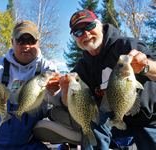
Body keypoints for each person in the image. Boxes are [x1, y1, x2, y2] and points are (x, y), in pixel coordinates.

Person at [59, 9, 156, 150]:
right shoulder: (80, 69)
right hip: (112, 123)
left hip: (148, 120)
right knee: (92, 119)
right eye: (78, 32)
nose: (86, 34)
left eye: (89, 26)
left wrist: (145, 66)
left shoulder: (127, 46)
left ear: (100, 25)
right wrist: (65, 92)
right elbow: (69, 105)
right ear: (75, 38)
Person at [0, 20, 62, 150]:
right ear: (12, 42)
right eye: (20, 40)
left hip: (28, 143)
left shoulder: (48, 69)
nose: (26, 46)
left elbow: (59, 101)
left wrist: (55, 91)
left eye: (31, 41)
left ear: (38, 43)